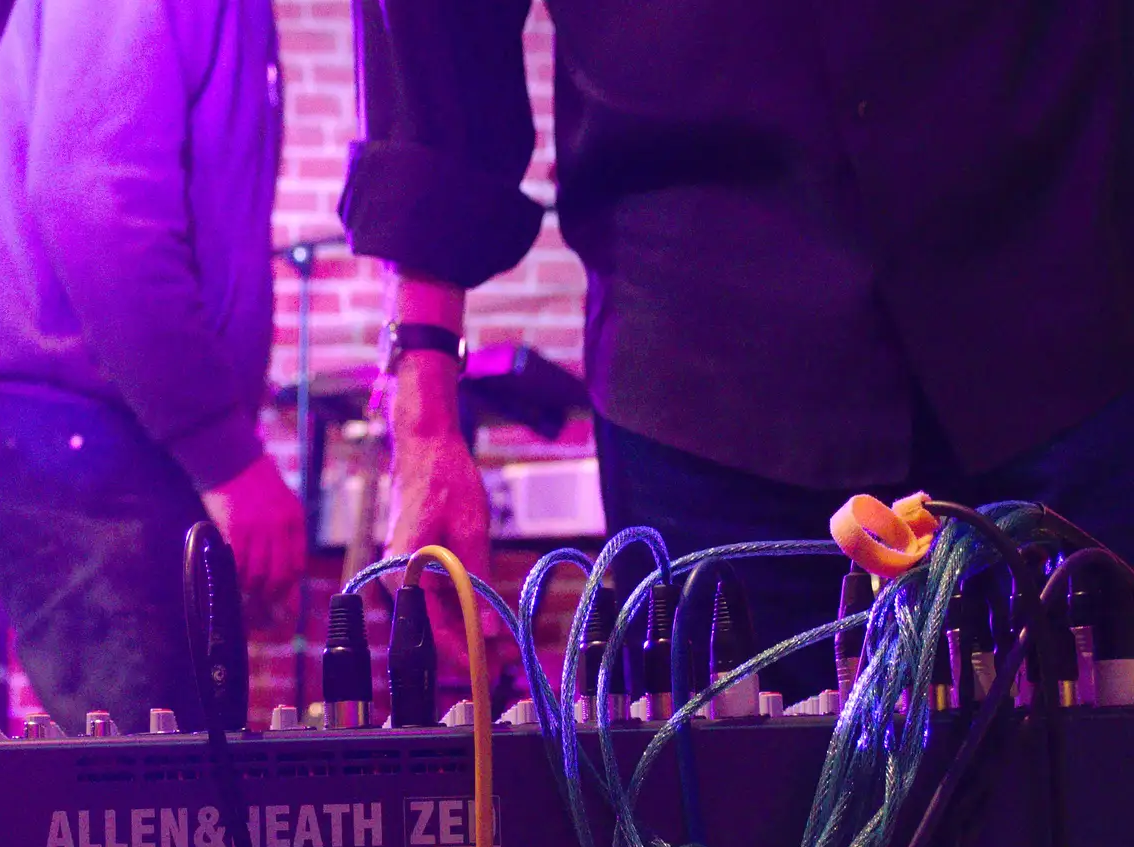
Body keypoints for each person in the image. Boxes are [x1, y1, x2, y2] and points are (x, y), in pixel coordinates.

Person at [339, 1, 1134, 699]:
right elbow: (435, 30)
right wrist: (424, 409)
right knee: (739, 841)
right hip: (705, 376)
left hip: (1066, 308)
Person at [0, 0, 304, 733]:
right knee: (160, 799)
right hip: (66, 415)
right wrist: (225, 459)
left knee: (174, 773)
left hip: (87, 417)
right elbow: (98, 203)